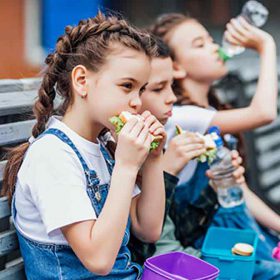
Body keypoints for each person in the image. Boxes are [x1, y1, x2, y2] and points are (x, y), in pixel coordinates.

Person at [1, 12, 166, 279]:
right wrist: (125, 167)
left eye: (141, 89)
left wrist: (154, 159)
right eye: (127, 86)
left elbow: (148, 229)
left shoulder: (103, 146)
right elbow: (98, 260)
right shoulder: (52, 156)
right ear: (81, 81)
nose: (137, 102)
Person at [151, 13, 280, 279]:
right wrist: (266, 46)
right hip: (210, 246)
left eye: (211, 40)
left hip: (236, 231)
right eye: (200, 44)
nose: (215, 47)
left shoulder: (207, 111)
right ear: (175, 67)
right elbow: (264, 112)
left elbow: (237, 191)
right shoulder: (180, 117)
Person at [129, 36, 245, 265]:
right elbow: (143, 249)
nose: (172, 98)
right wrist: (166, 171)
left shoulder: (154, 142)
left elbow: (178, 233)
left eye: (171, 86)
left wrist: (213, 189)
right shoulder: (125, 154)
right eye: (158, 88)